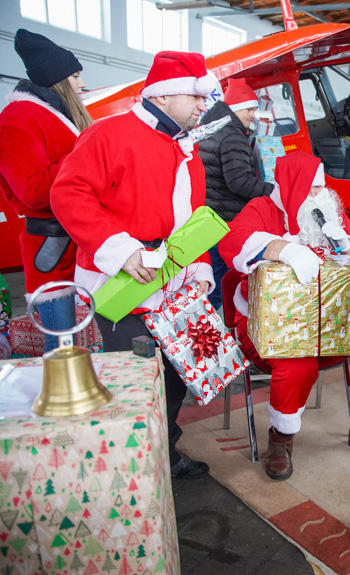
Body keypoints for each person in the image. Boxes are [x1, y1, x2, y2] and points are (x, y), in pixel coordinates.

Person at [51, 50, 221, 479]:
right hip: (119, 287)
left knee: (177, 377)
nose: (204, 106)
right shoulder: (108, 135)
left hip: (175, 288)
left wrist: (199, 268)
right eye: (195, 97)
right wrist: (121, 250)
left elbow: (192, 223)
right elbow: (68, 194)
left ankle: (163, 452)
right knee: (126, 383)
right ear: (162, 97)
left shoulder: (186, 149)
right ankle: (126, 473)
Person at [218, 151, 350, 480]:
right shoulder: (263, 208)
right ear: (292, 186)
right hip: (266, 325)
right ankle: (281, 437)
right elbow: (231, 242)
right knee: (298, 362)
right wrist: (283, 249)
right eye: (312, 188)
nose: (319, 195)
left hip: (330, 321)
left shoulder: (329, 210)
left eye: (322, 187)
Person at [0, 30, 92, 352]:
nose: (82, 84)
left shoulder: (53, 115)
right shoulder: (18, 117)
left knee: (86, 342)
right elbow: (33, 190)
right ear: (58, 79)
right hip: (52, 251)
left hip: (81, 244)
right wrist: (87, 156)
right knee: (62, 346)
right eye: (76, 76)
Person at [198, 78, 273, 310]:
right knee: (219, 283)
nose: (253, 115)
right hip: (225, 217)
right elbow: (239, 181)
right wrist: (273, 191)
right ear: (237, 108)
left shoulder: (212, 127)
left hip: (210, 213)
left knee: (208, 277)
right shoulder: (233, 135)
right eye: (250, 109)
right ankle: (199, 333)